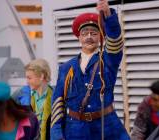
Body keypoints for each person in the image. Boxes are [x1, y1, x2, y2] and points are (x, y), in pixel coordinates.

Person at [51, 0, 130, 140]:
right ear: (79, 38)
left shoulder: (108, 60)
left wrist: (107, 14)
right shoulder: (65, 68)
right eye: (85, 33)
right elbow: (58, 103)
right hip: (75, 130)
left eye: (93, 33)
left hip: (106, 128)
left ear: (100, 38)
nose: (89, 37)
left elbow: (115, 42)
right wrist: (56, 134)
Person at [12, 59, 53, 140]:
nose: (27, 82)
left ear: (41, 76)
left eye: (29, 78)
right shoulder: (20, 94)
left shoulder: (55, 96)